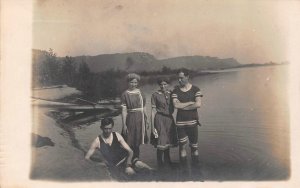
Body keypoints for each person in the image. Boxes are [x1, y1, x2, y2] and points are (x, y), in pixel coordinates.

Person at [85, 118, 152, 177]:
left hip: (128, 159)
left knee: (150, 170)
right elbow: (87, 158)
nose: (108, 131)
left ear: (112, 127)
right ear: (101, 128)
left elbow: (130, 151)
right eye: (105, 129)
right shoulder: (97, 141)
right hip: (118, 165)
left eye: (110, 128)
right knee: (135, 176)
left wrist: (128, 164)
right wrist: (100, 164)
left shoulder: (116, 135)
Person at [171, 69, 203, 165]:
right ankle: (184, 172)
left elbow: (198, 104)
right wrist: (189, 103)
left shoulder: (196, 89)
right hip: (180, 124)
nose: (179, 80)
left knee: (194, 147)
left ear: (187, 77)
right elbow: (176, 106)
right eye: (178, 78)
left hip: (193, 123)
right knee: (182, 147)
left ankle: (196, 170)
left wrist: (182, 106)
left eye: (181, 78)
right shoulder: (175, 91)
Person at [121, 73, 148, 160]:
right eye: (132, 82)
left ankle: (136, 159)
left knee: (138, 140)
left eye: (135, 82)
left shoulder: (141, 93)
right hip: (131, 118)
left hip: (140, 119)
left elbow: (144, 107)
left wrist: (146, 119)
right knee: (129, 139)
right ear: (128, 82)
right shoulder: (125, 94)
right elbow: (124, 110)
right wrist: (124, 124)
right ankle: (128, 159)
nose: (134, 84)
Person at [151, 77, 177, 168]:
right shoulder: (155, 94)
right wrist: (152, 126)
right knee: (161, 141)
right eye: (161, 84)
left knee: (168, 140)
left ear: (168, 84)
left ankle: (168, 161)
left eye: (165, 84)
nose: (163, 86)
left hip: (169, 119)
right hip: (159, 119)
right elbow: (153, 111)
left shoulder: (172, 93)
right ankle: (160, 164)